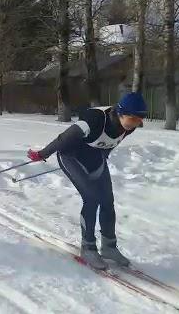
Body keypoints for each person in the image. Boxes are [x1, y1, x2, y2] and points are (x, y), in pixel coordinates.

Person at [27, 92, 149, 270]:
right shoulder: (95, 120)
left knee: (108, 201)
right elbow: (64, 138)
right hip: (71, 156)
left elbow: (110, 143)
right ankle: (88, 248)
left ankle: (109, 247)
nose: (136, 124)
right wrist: (42, 154)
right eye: (133, 119)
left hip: (95, 158)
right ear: (120, 112)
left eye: (140, 120)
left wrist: (102, 157)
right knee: (91, 198)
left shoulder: (130, 126)